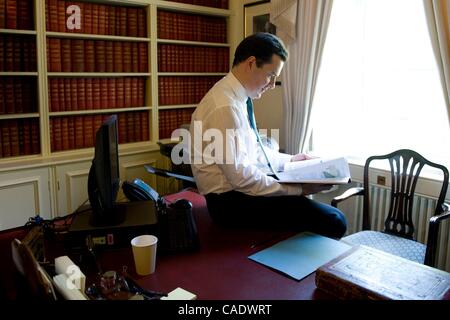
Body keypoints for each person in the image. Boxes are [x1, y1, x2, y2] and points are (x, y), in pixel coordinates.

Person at [188, 32, 347, 238]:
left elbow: (254, 152)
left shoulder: (236, 98)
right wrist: (298, 189)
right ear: (251, 63)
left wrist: (292, 160)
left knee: (319, 210)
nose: (272, 85)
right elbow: (242, 179)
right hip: (229, 204)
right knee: (335, 220)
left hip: (236, 192)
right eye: (271, 75)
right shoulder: (225, 107)